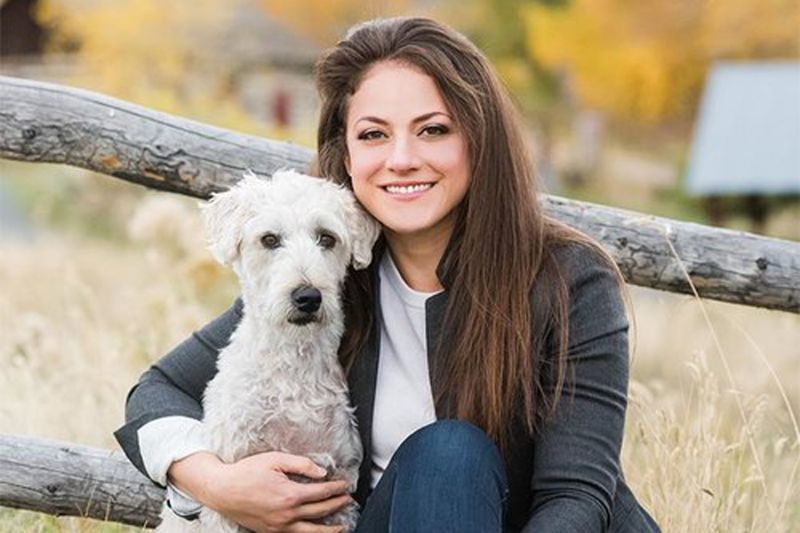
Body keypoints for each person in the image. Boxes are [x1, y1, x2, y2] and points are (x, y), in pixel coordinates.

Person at [115, 16, 660, 533]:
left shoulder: (568, 280)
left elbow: (578, 499)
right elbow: (157, 392)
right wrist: (220, 485)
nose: (401, 159)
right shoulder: (325, 277)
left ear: (478, 139)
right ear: (346, 155)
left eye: (433, 130)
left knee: (449, 453)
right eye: (374, 135)